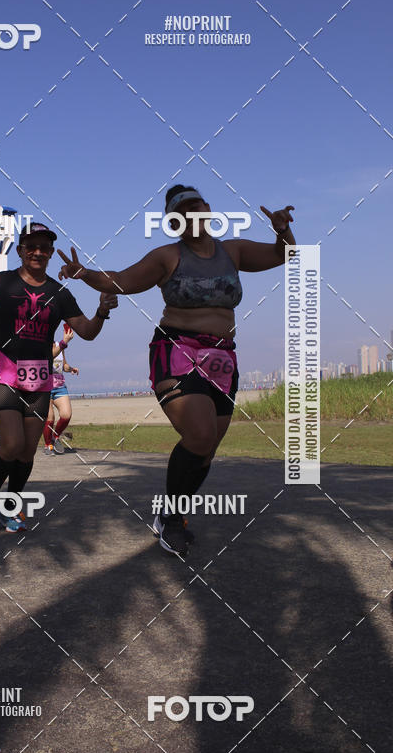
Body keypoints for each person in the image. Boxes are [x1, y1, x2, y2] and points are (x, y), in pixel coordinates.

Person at [58, 184, 295, 557]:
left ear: (208, 209)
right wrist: (84, 273)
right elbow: (119, 279)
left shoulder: (233, 250)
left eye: (195, 206)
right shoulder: (167, 257)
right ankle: (171, 522)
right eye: (181, 212)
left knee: (205, 451)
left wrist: (282, 230)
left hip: (222, 357)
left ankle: (170, 512)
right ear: (174, 223)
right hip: (177, 350)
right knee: (198, 436)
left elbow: (285, 255)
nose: (190, 214)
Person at [0, 222, 117, 536]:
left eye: (44, 247)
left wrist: (103, 311)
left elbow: (88, 333)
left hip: (39, 378)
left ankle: (10, 508)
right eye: (31, 246)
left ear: (51, 253)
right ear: (20, 251)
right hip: (2, 372)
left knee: (27, 451)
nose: (37, 252)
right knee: (10, 444)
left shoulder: (59, 293)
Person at [43, 326, 79, 455]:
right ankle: (48, 446)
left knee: (66, 415)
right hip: (44, 387)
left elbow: (63, 365)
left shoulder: (59, 345)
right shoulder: (41, 346)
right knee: (50, 418)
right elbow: (50, 356)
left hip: (59, 386)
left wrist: (71, 369)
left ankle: (55, 437)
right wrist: (65, 342)